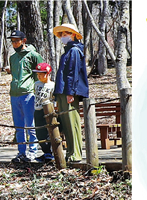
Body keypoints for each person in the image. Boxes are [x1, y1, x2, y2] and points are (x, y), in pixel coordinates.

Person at [6, 30, 45, 163]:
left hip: (29, 94)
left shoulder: (34, 55)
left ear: (24, 40)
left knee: (30, 124)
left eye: (17, 40)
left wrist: (36, 91)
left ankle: (33, 151)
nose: (14, 43)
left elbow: (39, 75)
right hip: (15, 94)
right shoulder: (12, 58)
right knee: (19, 126)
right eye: (12, 41)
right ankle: (21, 152)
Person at [53, 23, 90, 163]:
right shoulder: (67, 51)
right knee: (65, 122)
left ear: (73, 35)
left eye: (65, 34)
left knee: (72, 122)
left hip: (69, 92)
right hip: (62, 91)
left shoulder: (74, 51)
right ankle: (70, 152)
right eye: (61, 35)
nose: (63, 37)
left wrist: (71, 93)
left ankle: (76, 154)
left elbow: (72, 74)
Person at [33, 62, 55, 163]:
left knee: (48, 132)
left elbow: (54, 99)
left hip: (47, 111)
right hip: (37, 110)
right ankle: (45, 152)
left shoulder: (52, 85)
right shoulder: (36, 84)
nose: (39, 76)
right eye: (38, 74)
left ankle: (50, 152)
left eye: (41, 74)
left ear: (47, 73)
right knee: (39, 132)